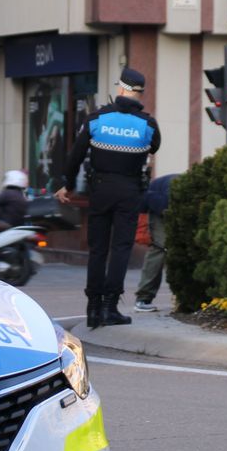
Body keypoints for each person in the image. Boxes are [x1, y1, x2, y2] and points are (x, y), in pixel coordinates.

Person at [55, 67, 162, 328]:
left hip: (100, 190)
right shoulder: (148, 125)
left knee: (98, 250)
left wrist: (67, 185)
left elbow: (74, 157)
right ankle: (110, 307)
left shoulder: (96, 120)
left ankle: (93, 309)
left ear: (121, 89)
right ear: (139, 93)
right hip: (130, 191)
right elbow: (154, 147)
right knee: (121, 249)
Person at [134, 172, 179, 313]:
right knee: (160, 248)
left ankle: (183, 296)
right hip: (159, 203)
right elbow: (152, 203)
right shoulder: (166, 197)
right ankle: (143, 298)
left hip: (169, 201)